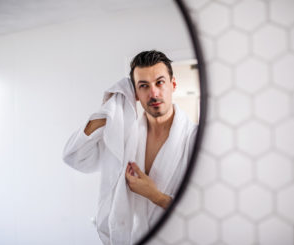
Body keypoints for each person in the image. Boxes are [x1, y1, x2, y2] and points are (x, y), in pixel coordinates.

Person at [62, 50, 197, 244]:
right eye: (144, 86)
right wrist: (106, 113)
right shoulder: (126, 136)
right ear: (135, 93)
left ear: (173, 84)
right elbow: (73, 157)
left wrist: (155, 195)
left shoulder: (194, 138)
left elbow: (204, 209)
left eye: (159, 82)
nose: (153, 93)